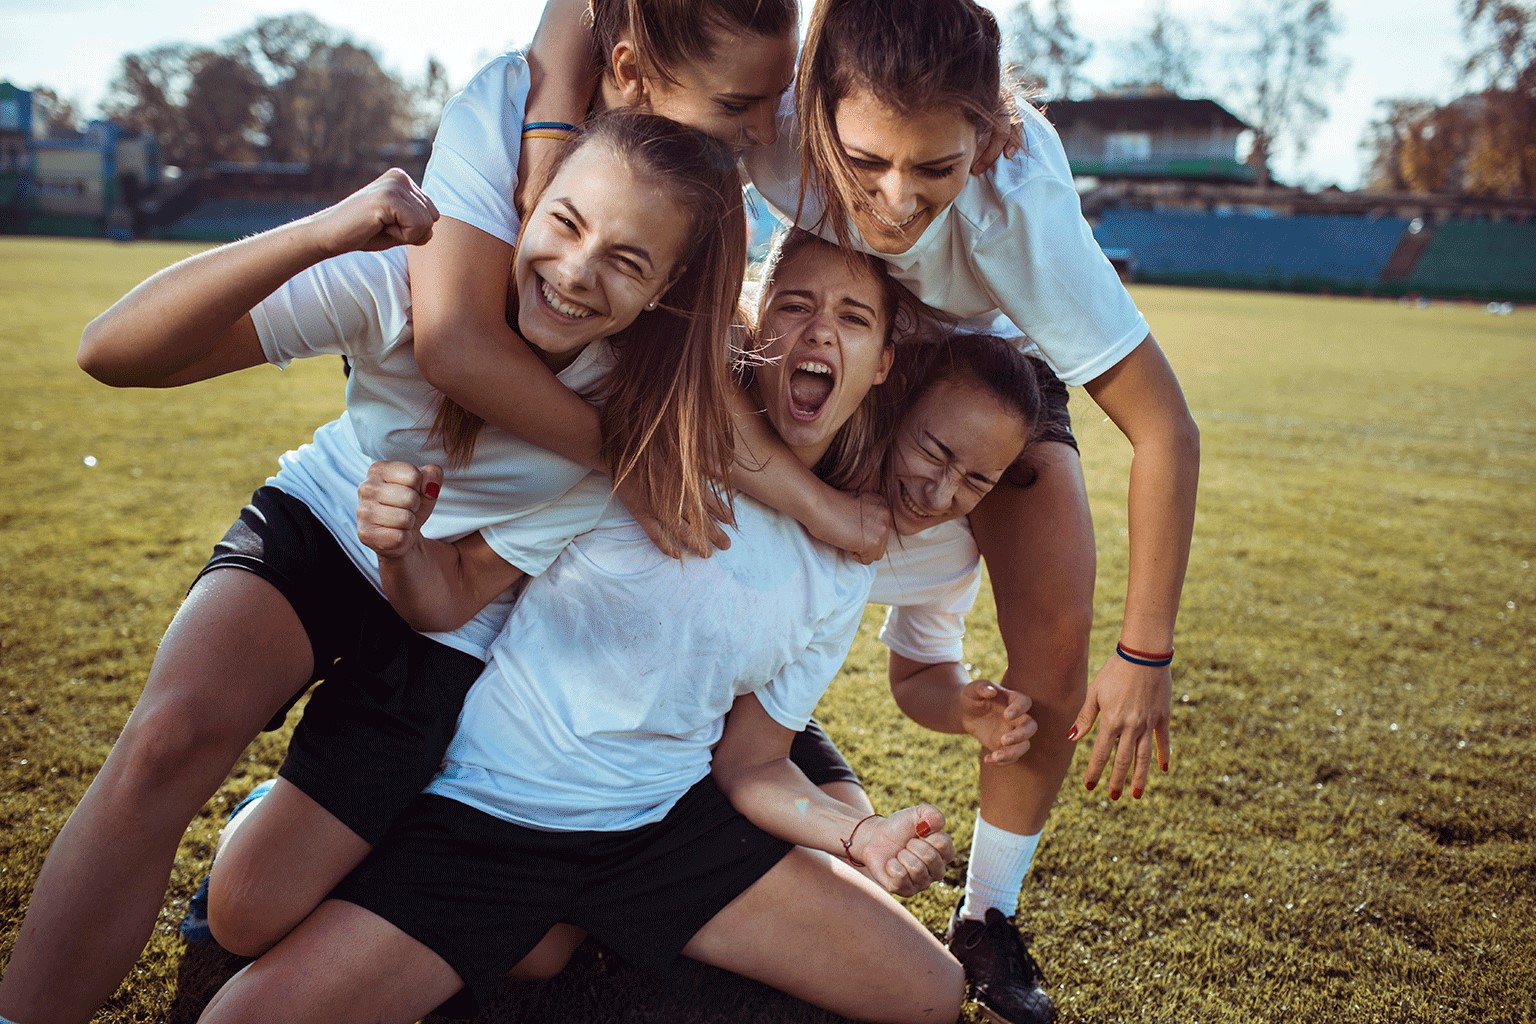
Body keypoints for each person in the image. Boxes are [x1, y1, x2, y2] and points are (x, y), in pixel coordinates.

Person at [0, 112, 745, 1024]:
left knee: (250, 911)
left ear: (668, 290)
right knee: (169, 736)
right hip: (321, 520)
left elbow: (456, 599)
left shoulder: (631, 420)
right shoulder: (406, 286)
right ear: (530, 201)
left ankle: (283, 817)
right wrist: (325, 230)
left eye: (629, 262)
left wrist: (405, 547)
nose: (578, 270)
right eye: (567, 222)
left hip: (441, 615)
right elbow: (110, 353)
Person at [194, 231, 1029, 1024]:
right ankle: (443, 887)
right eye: (794, 307)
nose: (819, 334)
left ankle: (579, 931)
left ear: (883, 363)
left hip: (659, 832)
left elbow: (752, 765)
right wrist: (403, 544)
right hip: (492, 817)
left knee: (925, 990)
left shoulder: (848, 557)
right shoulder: (644, 429)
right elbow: (457, 589)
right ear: (754, 317)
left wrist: (860, 834)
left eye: (852, 319)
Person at [726, 1, 1203, 1019]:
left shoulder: (1016, 209)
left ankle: (987, 916)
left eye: (934, 168)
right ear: (811, 108)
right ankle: (704, 748)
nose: (896, 199)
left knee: (1054, 628)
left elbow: (1166, 429)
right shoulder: (764, 118)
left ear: (986, 138)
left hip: (993, 364)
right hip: (854, 328)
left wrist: (1147, 653)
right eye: (867, 163)